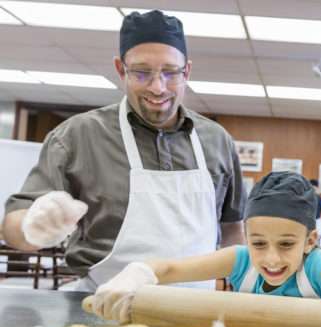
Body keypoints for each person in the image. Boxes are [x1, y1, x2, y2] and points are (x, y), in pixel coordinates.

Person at [2, 10, 246, 291]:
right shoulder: (77, 137)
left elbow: (232, 229)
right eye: (142, 73)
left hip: (197, 311)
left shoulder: (217, 141)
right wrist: (32, 226)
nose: (158, 87)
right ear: (121, 69)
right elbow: (14, 227)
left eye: (170, 73)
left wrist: (235, 287)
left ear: (187, 71)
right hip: (100, 309)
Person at [90, 172, 321, 323]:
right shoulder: (239, 260)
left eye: (287, 244)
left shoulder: (317, 266)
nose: (271, 258)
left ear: (310, 241)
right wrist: (137, 274)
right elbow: (172, 269)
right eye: (259, 243)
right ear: (245, 235)